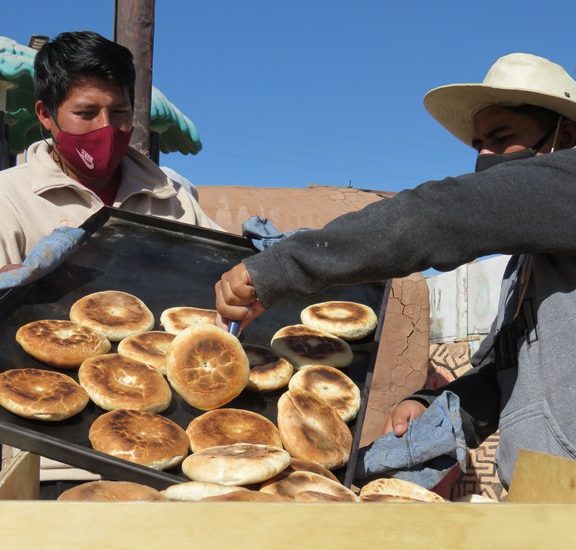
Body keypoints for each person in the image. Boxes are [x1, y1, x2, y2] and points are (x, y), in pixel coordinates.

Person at [215, 52, 576, 489]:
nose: (485, 157)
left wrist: (281, 266)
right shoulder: (525, 267)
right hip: (544, 490)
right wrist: (436, 404)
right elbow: (503, 375)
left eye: (501, 138)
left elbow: (435, 217)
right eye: (477, 144)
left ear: (566, 134)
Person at [0, 30, 221, 269]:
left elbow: (224, 273)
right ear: (45, 114)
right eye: (86, 113)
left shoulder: (172, 198)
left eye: (119, 112)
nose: (106, 127)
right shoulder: (9, 198)